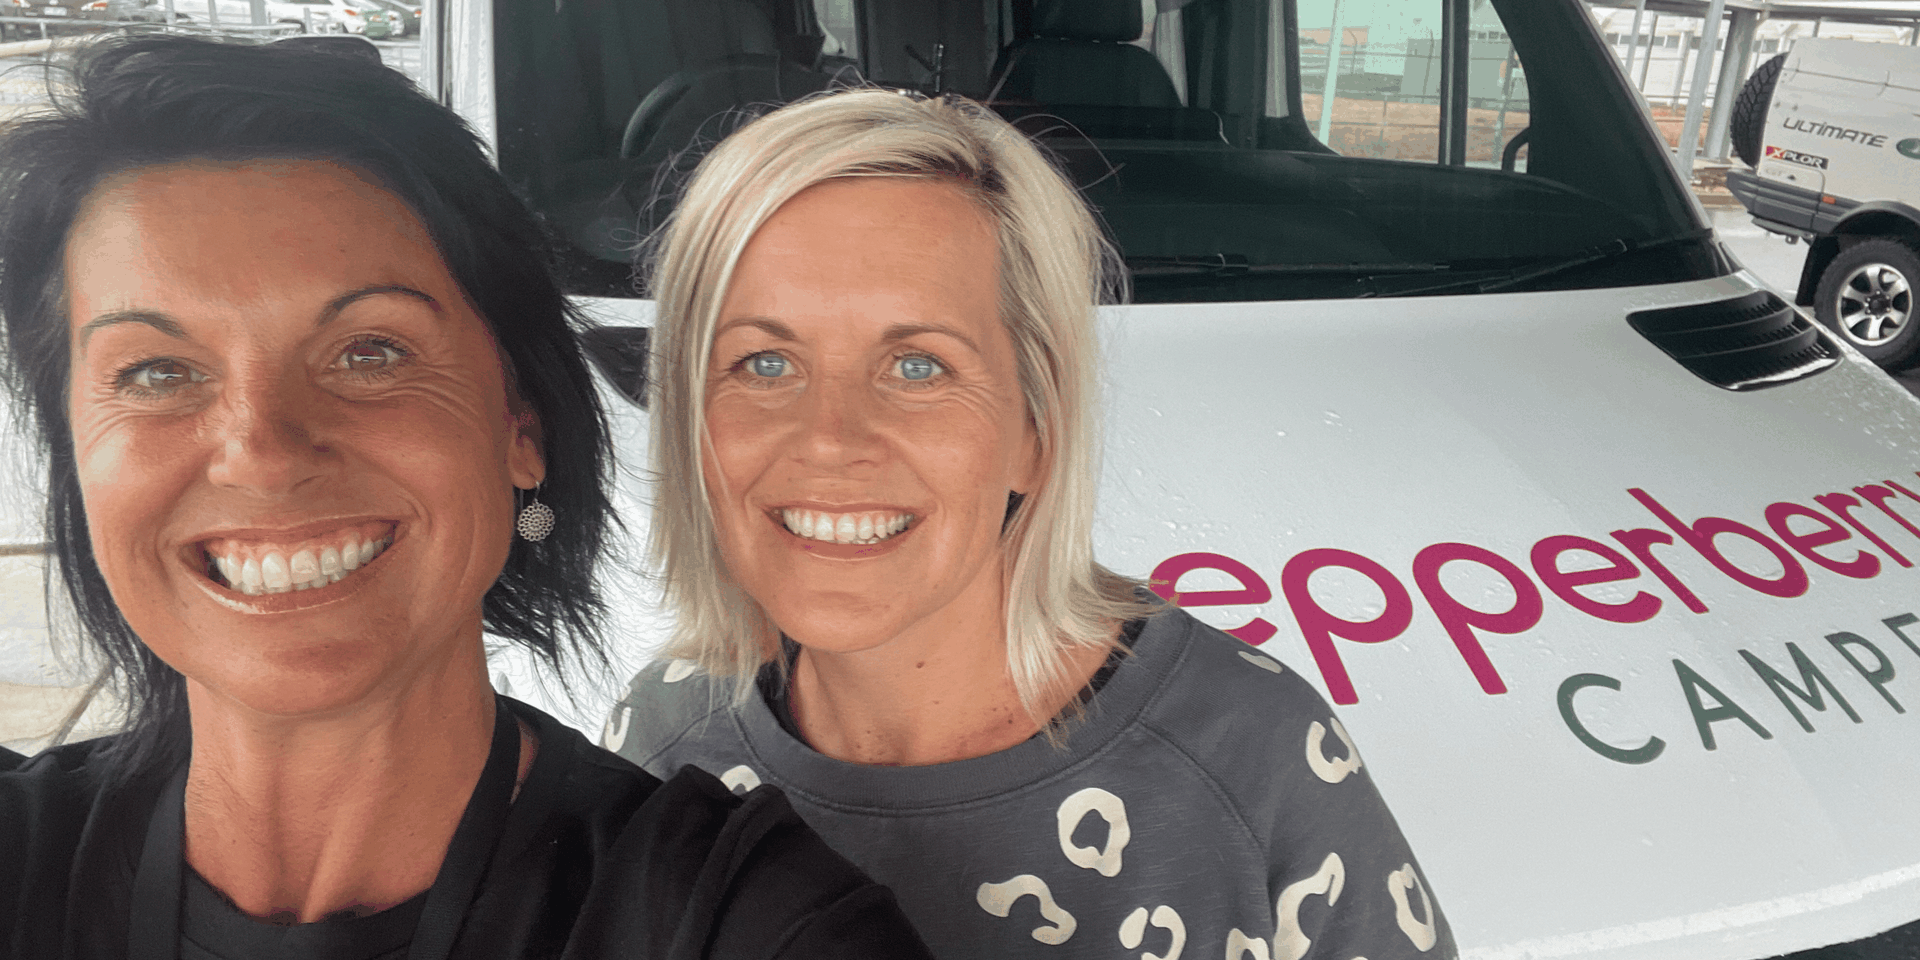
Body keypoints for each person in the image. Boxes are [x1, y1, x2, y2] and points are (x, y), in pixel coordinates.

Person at [0, 36, 932, 960]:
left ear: (519, 423)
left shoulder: (751, 926)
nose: (263, 455)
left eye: (371, 351)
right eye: (158, 372)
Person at [611, 88, 1460, 960]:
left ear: (1034, 428)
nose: (830, 440)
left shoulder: (1252, 753)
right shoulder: (666, 734)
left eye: (915, 365)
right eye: (764, 361)